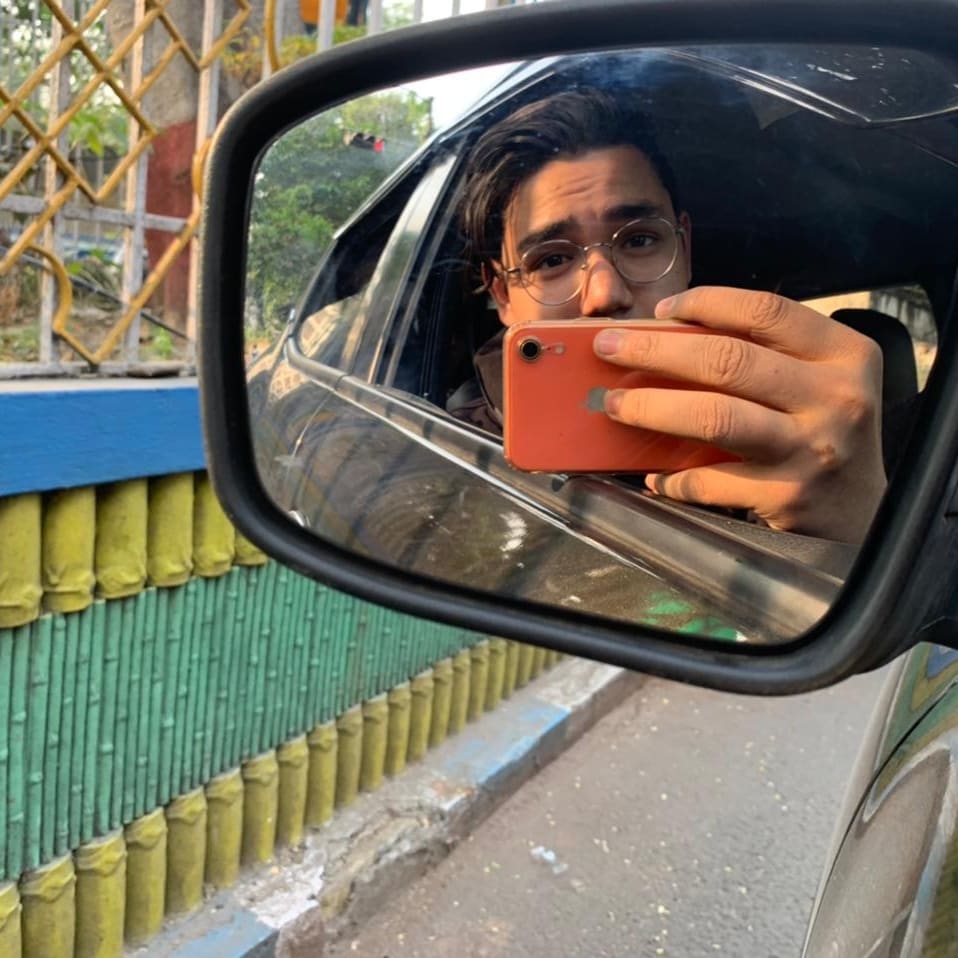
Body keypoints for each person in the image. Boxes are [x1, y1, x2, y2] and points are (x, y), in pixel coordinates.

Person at [452, 88, 886, 545]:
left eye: (638, 240)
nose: (605, 294)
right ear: (503, 294)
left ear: (684, 248)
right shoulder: (459, 455)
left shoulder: (778, 427)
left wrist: (856, 521)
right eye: (552, 260)